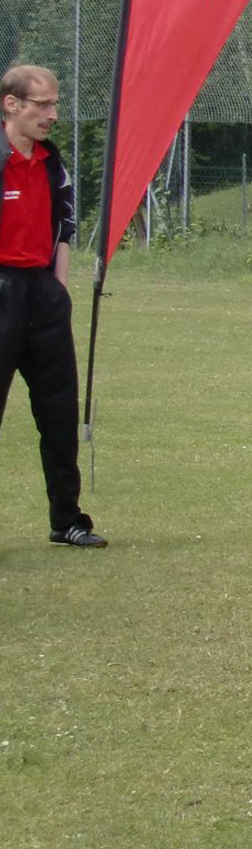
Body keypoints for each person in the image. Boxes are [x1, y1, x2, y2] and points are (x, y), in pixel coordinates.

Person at [0, 65, 102, 549]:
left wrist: (59, 290)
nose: (52, 115)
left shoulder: (50, 161)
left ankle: (68, 520)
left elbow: (64, 227)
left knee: (59, 414)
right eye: (42, 105)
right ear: (11, 104)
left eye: (54, 104)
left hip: (42, 293)